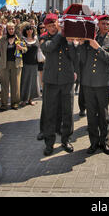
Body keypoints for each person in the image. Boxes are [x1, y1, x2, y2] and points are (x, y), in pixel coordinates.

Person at [79, 15, 109, 155]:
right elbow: (81, 59)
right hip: (88, 81)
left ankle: (105, 142)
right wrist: (82, 43)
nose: (105, 25)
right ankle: (93, 143)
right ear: (98, 24)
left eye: (107, 23)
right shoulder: (89, 38)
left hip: (103, 82)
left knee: (103, 113)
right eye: (103, 23)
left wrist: (97, 48)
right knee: (91, 114)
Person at [40, 13, 78, 156]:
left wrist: (71, 42)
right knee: (50, 112)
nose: (52, 28)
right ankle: (49, 143)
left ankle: (66, 139)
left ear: (58, 24)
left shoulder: (66, 38)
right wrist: (61, 35)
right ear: (46, 27)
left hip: (66, 81)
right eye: (49, 26)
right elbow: (48, 48)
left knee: (67, 112)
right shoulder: (44, 38)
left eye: (54, 25)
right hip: (51, 81)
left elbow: (74, 57)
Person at [0, 22, 27, 111]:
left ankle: (15, 103)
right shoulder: (2, 39)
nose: (11, 30)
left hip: (16, 64)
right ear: (7, 30)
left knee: (15, 85)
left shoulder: (19, 39)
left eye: (12, 28)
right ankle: (4, 104)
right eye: (9, 29)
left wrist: (21, 48)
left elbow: (25, 49)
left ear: (14, 29)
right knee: (4, 85)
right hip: (4, 64)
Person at [20, 25, 40, 106]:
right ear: (25, 31)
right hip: (25, 63)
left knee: (33, 82)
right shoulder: (22, 40)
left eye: (31, 29)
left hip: (34, 63)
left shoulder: (36, 39)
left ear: (33, 31)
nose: (29, 31)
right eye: (27, 30)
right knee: (24, 82)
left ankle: (30, 99)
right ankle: (24, 99)